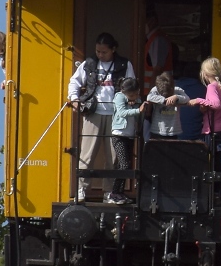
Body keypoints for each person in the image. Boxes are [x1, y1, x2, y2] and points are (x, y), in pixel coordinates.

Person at [67, 34, 135, 201]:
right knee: (87, 153)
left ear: (113, 49)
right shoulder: (89, 63)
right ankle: (81, 189)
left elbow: (132, 84)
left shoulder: (124, 64)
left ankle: (109, 192)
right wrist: (74, 99)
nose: (100, 54)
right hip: (93, 112)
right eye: (98, 51)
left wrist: (130, 99)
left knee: (112, 156)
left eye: (104, 52)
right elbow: (74, 82)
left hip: (116, 115)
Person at [188, 58, 221, 195]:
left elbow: (216, 104)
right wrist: (206, 108)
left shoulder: (212, 87)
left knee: (211, 164)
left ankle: (212, 193)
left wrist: (198, 100)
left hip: (212, 130)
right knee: (219, 164)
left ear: (205, 73)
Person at [108, 77, 142, 203]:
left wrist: (134, 101)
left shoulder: (135, 99)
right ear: (124, 91)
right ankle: (114, 193)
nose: (134, 97)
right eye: (131, 95)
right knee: (124, 164)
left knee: (126, 165)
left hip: (129, 135)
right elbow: (122, 112)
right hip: (119, 134)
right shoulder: (119, 97)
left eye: (136, 94)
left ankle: (120, 193)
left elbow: (139, 101)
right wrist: (137, 110)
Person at [145, 71, 190, 138]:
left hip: (173, 130)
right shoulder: (155, 90)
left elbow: (187, 99)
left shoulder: (177, 90)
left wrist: (176, 97)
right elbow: (149, 97)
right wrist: (164, 100)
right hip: (157, 130)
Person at [143, 10, 174, 92]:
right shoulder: (151, 39)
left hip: (158, 93)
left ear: (152, 20)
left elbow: (157, 70)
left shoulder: (157, 40)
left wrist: (150, 97)